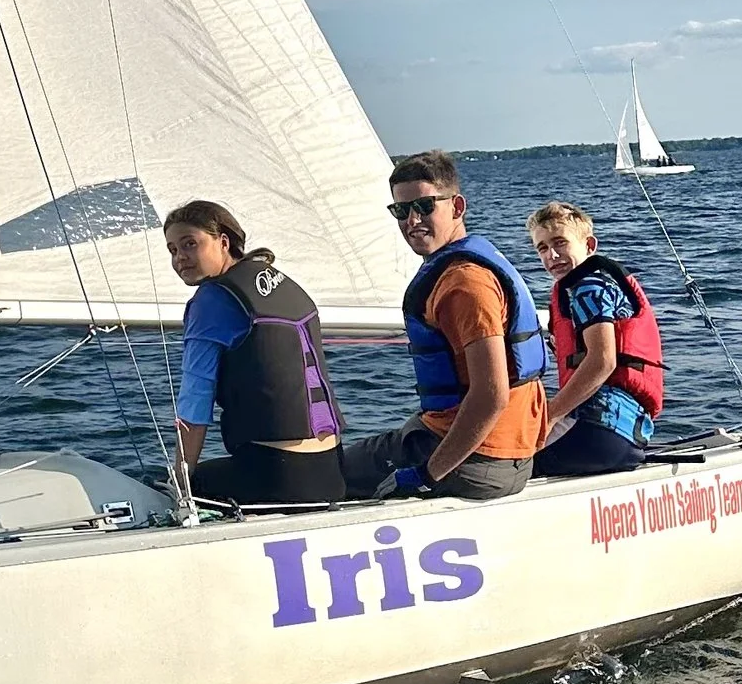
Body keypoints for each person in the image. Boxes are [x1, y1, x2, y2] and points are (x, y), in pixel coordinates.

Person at [340, 150, 549, 499]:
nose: (412, 221)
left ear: (457, 206)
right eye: (401, 211)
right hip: (510, 459)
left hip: (474, 464)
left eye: (424, 206)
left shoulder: (465, 284)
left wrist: (426, 475)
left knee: (325, 474)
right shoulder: (469, 267)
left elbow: (491, 395)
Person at [163, 198, 345, 510]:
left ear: (223, 242)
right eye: (172, 250)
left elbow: (194, 404)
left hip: (277, 477)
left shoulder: (211, 302)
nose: (180, 257)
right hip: (332, 472)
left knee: (170, 489)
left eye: (190, 244)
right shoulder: (280, 281)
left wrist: (180, 481)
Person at [527, 203, 664, 477]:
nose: (552, 255)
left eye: (560, 243)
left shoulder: (587, 286)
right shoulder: (596, 282)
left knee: (495, 467)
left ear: (588, 244)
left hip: (597, 431)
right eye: (542, 248)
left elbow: (602, 361)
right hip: (628, 437)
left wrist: (550, 415)